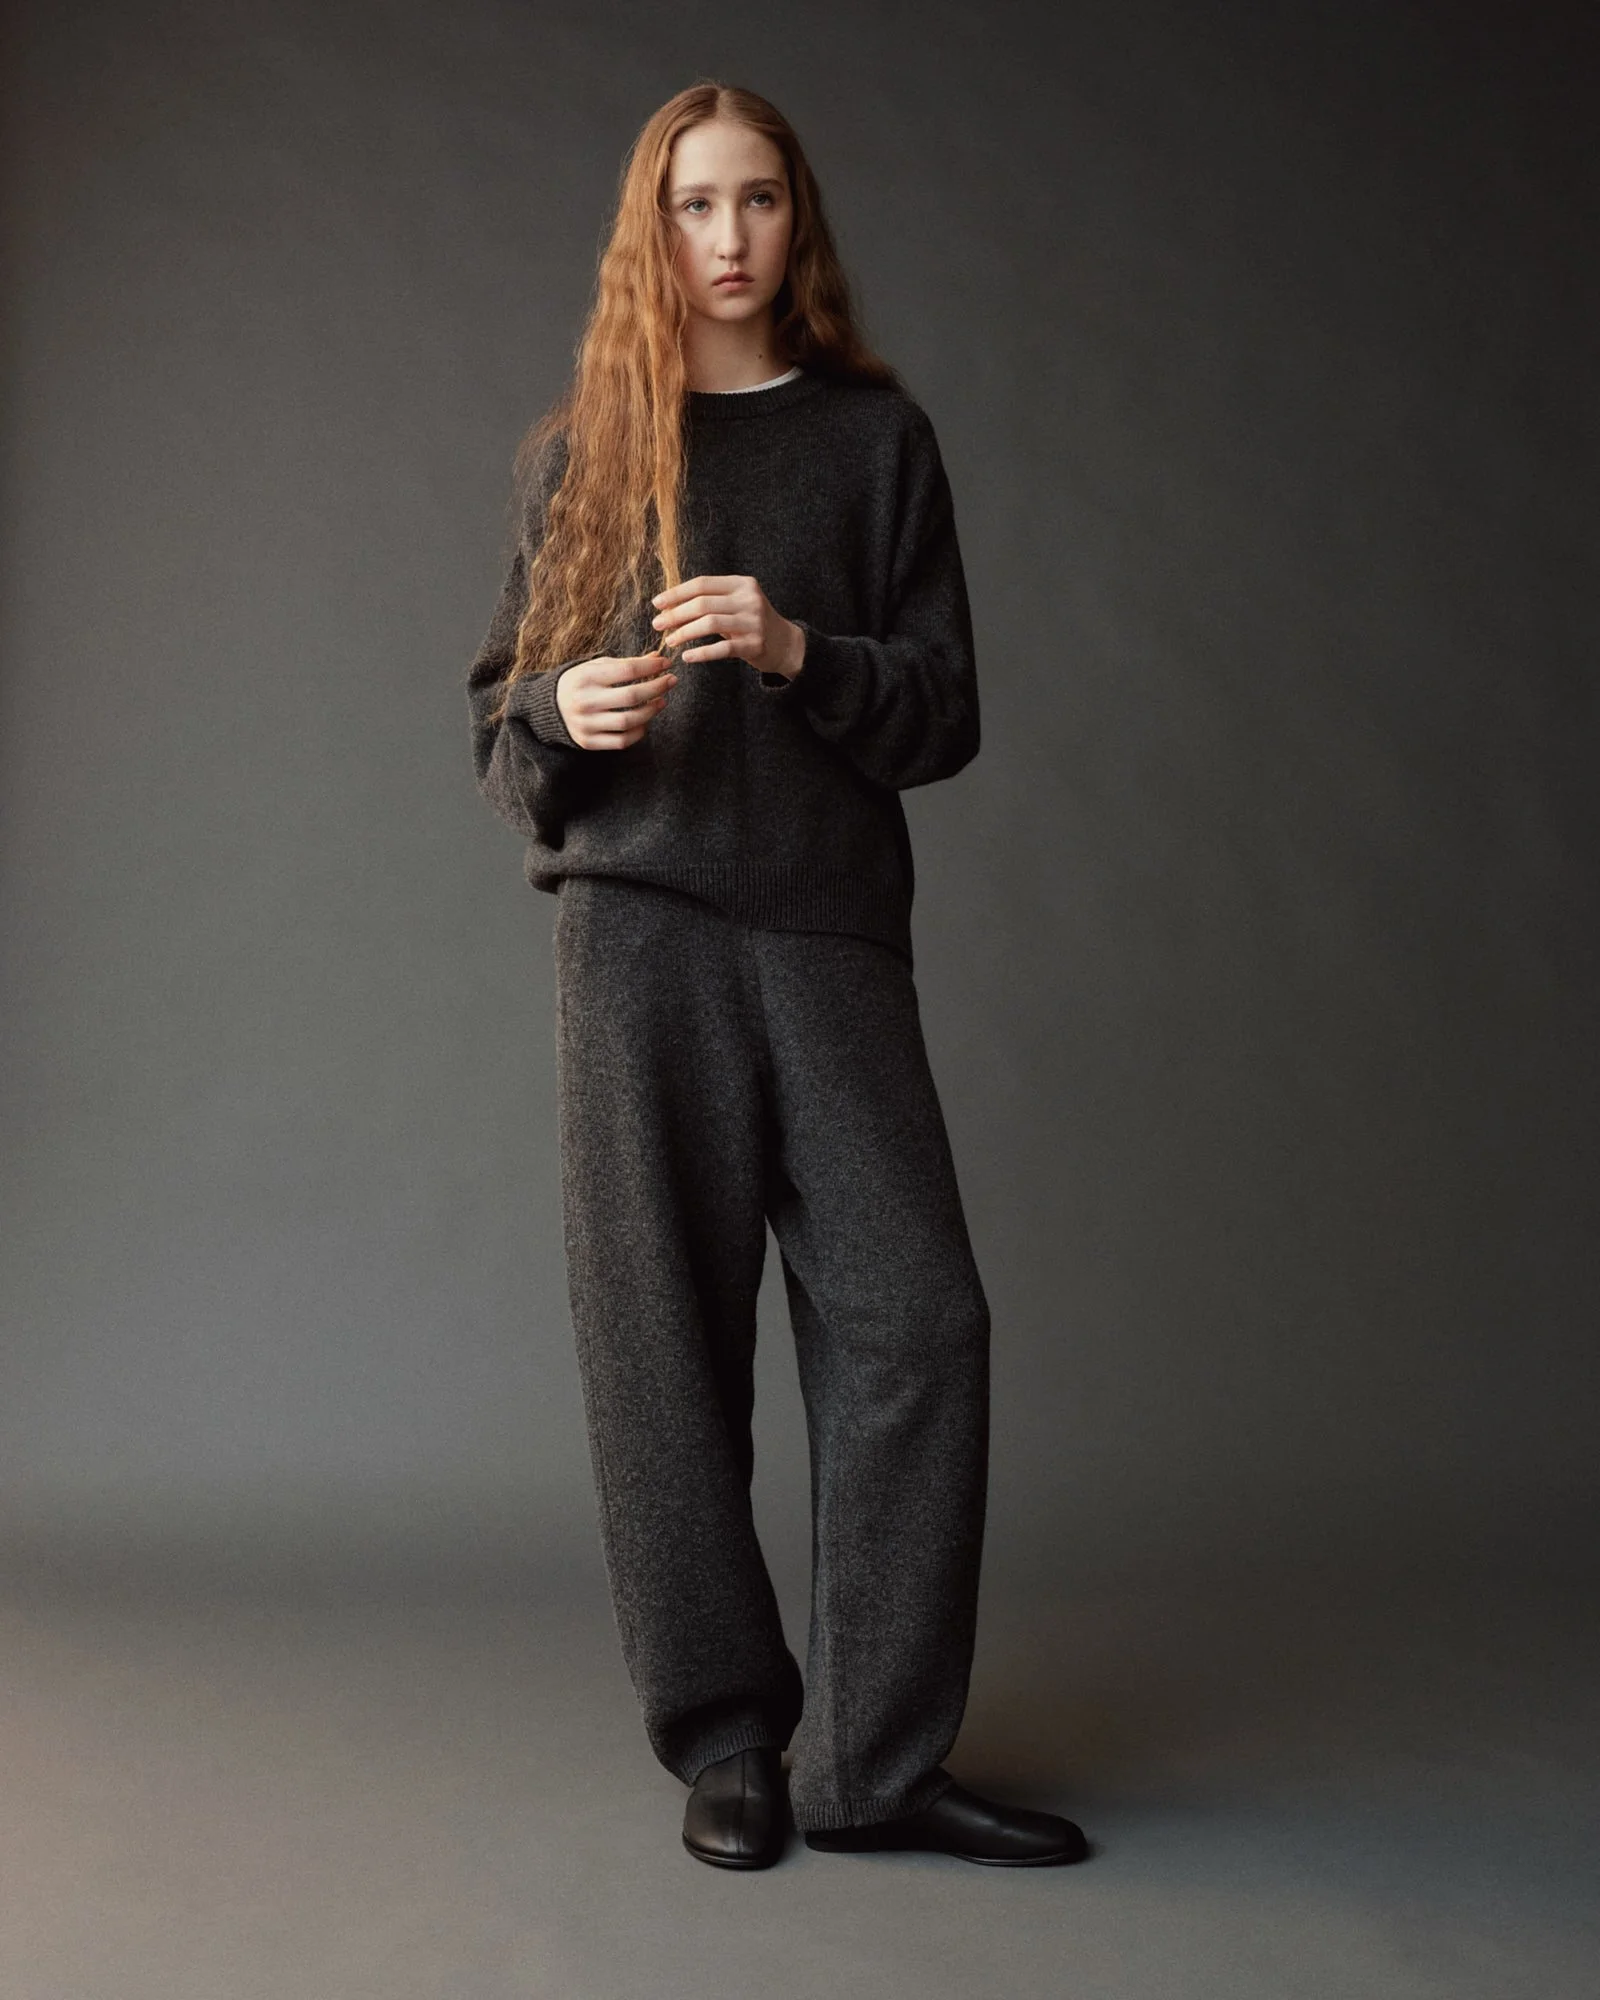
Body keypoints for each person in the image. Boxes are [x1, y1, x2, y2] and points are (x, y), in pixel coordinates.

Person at [466, 80, 1089, 1871]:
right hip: (636, 936)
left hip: (827, 936)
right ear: (648, 232)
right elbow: (496, 730)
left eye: (756, 200)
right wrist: (562, 711)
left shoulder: (877, 443)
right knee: (660, 1338)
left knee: (918, 1322)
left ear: (796, 221)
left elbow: (944, 714)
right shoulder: (586, 454)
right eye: (692, 204)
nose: (726, 236)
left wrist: (804, 649)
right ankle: (727, 1735)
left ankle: (872, 1766)